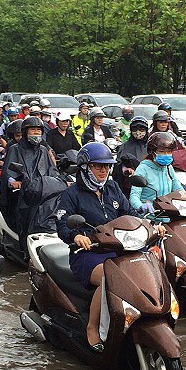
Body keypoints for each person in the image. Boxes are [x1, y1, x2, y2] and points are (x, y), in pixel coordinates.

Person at [55, 142, 141, 351]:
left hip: (117, 249)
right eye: (98, 166)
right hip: (87, 253)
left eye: (107, 166)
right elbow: (62, 225)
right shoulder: (72, 193)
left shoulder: (112, 188)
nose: (103, 170)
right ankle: (93, 328)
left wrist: (149, 226)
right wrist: (76, 236)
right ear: (85, 167)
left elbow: (129, 214)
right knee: (108, 277)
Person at [0, 115, 62, 238]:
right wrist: (14, 182)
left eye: (39, 130)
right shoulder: (15, 149)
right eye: (33, 130)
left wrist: (60, 182)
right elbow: (8, 173)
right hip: (23, 194)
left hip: (43, 192)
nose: (36, 132)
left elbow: (52, 171)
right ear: (25, 132)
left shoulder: (43, 150)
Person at [129, 132, 186, 212]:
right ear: (152, 152)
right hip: (149, 215)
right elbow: (134, 195)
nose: (166, 155)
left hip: (168, 213)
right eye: (162, 151)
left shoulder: (168, 168)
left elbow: (178, 188)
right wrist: (140, 206)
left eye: (169, 152)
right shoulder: (143, 168)